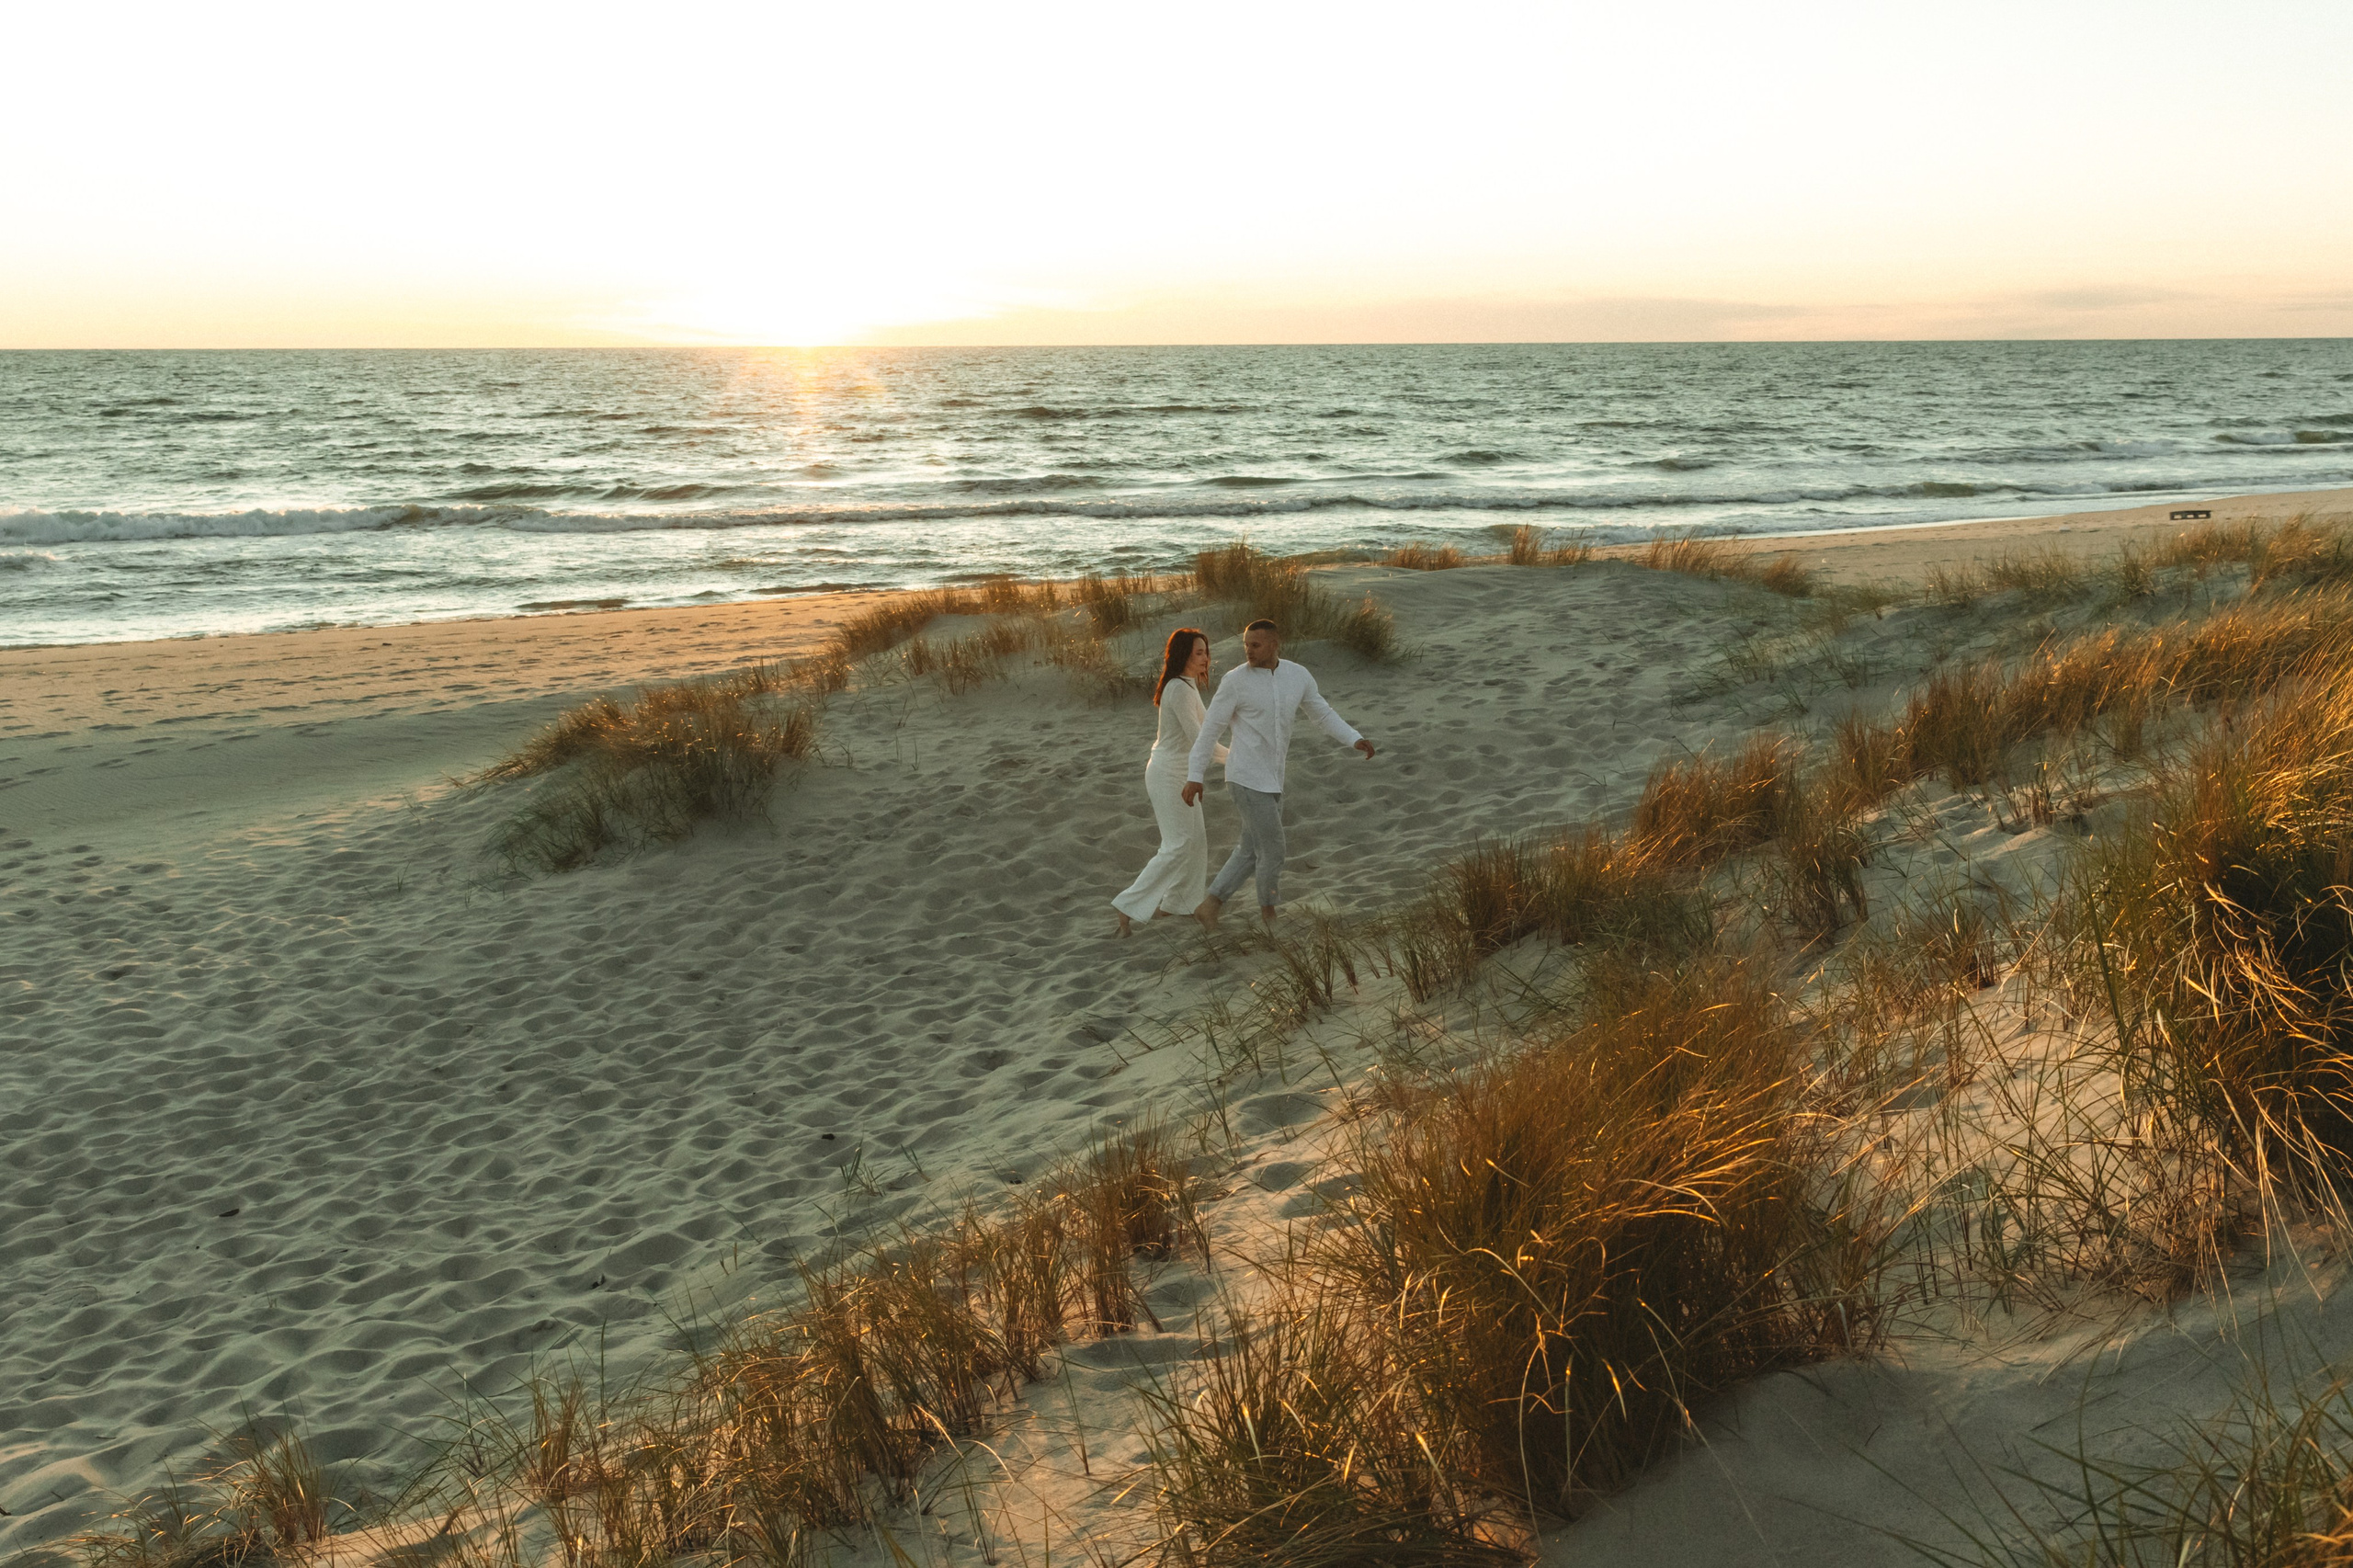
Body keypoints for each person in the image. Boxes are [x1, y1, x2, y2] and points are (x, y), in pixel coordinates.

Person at [1183, 619, 1375, 930]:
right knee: (1273, 849)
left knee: (1249, 850)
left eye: (1255, 645)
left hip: (1274, 778)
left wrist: (1353, 737)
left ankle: (1209, 906)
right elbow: (1209, 732)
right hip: (1244, 777)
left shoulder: (1297, 676)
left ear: (1274, 644)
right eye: (1245, 644)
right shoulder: (1234, 681)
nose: (1248, 650)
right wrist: (1195, 775)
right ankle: (1269, 916)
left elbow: (1322, 713)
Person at [1110, 629, 1227, 937]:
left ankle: (1179, 904)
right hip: (1167, 774)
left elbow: (1206, 735)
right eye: (1199, 653)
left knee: (1196, 840)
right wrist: (1240, 759)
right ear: (1183, 655)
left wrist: (1236, 754)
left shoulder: (1187, 686)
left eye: (1206, 652)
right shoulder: (1177, 689)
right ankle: (1127, 906)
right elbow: (1200, 740)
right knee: (1177, 845)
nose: (1205, 658)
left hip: (1181, 771)